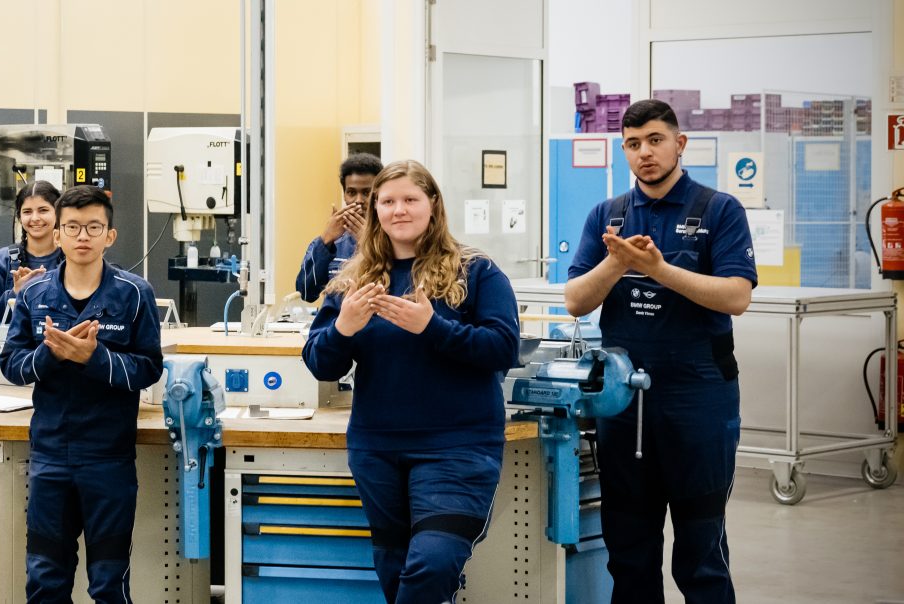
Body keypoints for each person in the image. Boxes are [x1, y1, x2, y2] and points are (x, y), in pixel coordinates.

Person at [301, 160, 519, 604]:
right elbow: (320, 363)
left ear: (433, 205)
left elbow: (503, 348)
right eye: (388, 201)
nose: (399, 210)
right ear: (375, 209)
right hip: (378, 448)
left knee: (432, 563)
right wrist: (343, 327)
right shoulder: (355, 280)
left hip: (458, 447)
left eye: (410, 200)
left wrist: (433, 327)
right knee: (394, 568)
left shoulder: (476, 271)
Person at [563, 99, 753, 604]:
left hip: (699, 403)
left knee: (701, 553)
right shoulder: (608, 216)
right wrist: (616, 261)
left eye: (654, 140)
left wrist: (657, 269)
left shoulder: (719, 210)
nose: (644, 152)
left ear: (679, 143)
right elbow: (577, 299)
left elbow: (737, 296)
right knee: (628, 550)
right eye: (632, 143)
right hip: (624, 407)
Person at [0, 185, 162, 603]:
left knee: (108, 584)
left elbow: (148, 368)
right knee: (44, 580)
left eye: (94, 227)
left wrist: (95, 357)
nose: (83, 236)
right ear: (58, 236)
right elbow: (12, 366)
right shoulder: (34, 295)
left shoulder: (133, 294)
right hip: (50, 458)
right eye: (73, 227)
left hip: (108, 459)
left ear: (110, 235)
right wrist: (50, 355)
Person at [296, 153, 383, 302]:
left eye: (366, 193)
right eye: (351, 192)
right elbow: (305, 292)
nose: (358, 201)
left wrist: (369, 244)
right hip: (334, 323)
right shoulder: (332, 241)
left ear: (379, 195)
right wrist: (325, 241)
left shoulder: (394, 239)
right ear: (344, 195)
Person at [0, 180, 63, 317]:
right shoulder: (0, 262)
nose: (35, 218)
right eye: (27, 212)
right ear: (19, 217)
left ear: (57, 214)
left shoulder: (74, 260)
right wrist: (15, 293)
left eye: (43, 210)